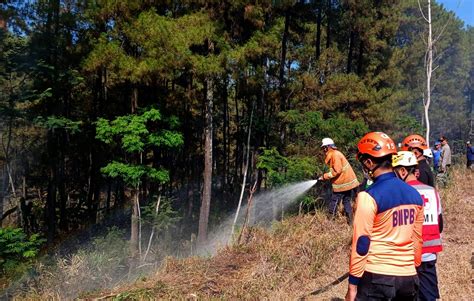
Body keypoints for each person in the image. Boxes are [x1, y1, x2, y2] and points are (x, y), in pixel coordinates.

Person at [345, 132, 424, 301]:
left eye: (363, 163)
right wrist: (413, 268)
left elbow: (362, 243)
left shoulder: (368, 196)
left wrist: (353, 285)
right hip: (409, 278)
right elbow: (417, 238)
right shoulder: (415, 195)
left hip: (377, 277)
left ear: (369, 162)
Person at [392, 151, 443, 301]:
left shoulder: (399, 193)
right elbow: (440, 224)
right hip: (428, 256)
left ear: (402, 172)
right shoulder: (432, 192)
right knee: (428, 296)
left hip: (406, 256)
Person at [317, 138, 359, 224]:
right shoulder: (335, 154)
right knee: (346, 201)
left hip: (342, 184)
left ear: (328, 147)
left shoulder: (335, 155)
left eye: (324, 148)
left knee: (334, 201)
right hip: (347, 183)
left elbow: (337, 171)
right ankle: (350, 222)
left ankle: (330, 221)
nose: (324, 150)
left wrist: (324, 176)